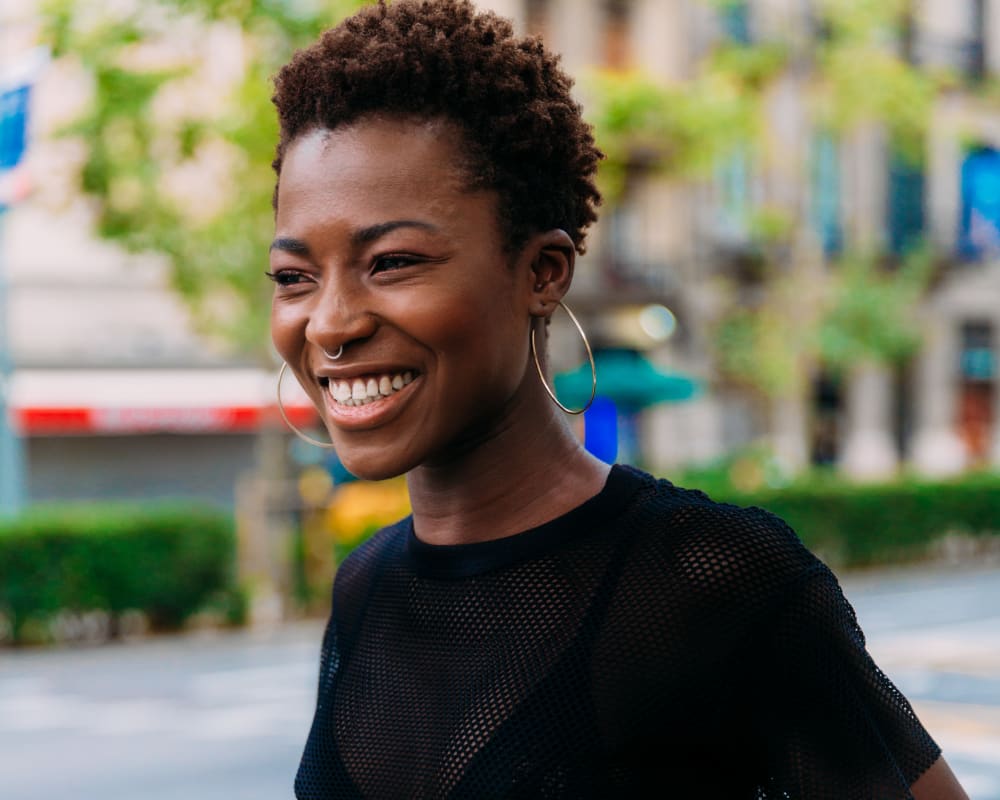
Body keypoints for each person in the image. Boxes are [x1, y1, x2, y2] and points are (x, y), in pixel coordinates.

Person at [267, 2, 969, 797]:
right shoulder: (365, 585)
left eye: (391, 262)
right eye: (294, 277)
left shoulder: (714, 581)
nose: (328, 323)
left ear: (542, 272)